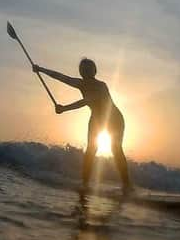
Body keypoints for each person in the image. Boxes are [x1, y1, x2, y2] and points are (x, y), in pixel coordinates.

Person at [33, 58, 132, 190]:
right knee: (90, 151)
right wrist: (41, 70)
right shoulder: (80, 83)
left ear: (94, 71)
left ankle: (127, 185)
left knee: (116, 149)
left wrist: (64, 108)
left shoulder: (101, 86)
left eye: (88, 68)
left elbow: (86, 101)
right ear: (80, 72)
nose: (85, 71)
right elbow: (61, 77)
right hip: (96, 119)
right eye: (83, 69)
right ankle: (85, 184)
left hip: (114, 119)